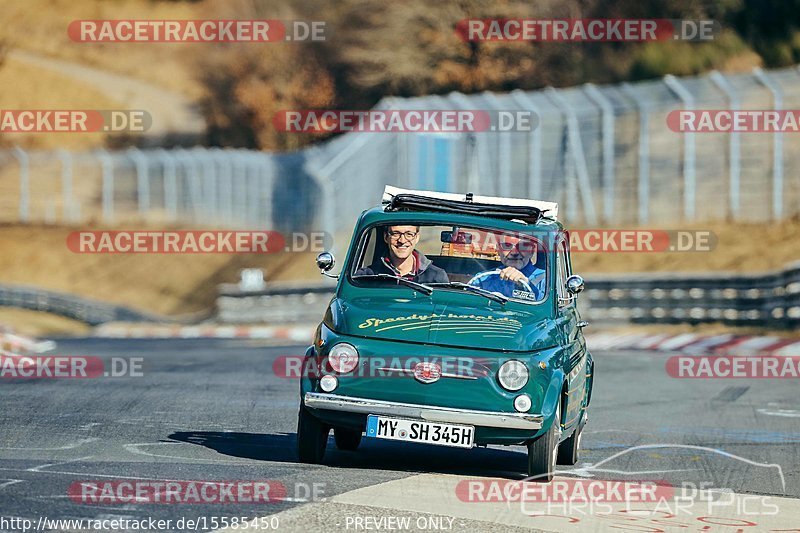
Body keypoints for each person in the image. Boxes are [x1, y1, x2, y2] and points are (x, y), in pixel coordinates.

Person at [355, 225, 449, 284]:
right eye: (396, 234)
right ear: (386, 237)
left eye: (409, 234)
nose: (402, 240)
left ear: (417, 238)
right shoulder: (367, 277)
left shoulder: (436, 277)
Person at [468, 233, 546, 300]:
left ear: (532, 251)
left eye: (522, 246)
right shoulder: (482, 279)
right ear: (498, 249)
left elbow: (548, 308)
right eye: (507, 245)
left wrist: (526, 285)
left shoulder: (545, 279)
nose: (514, 252)